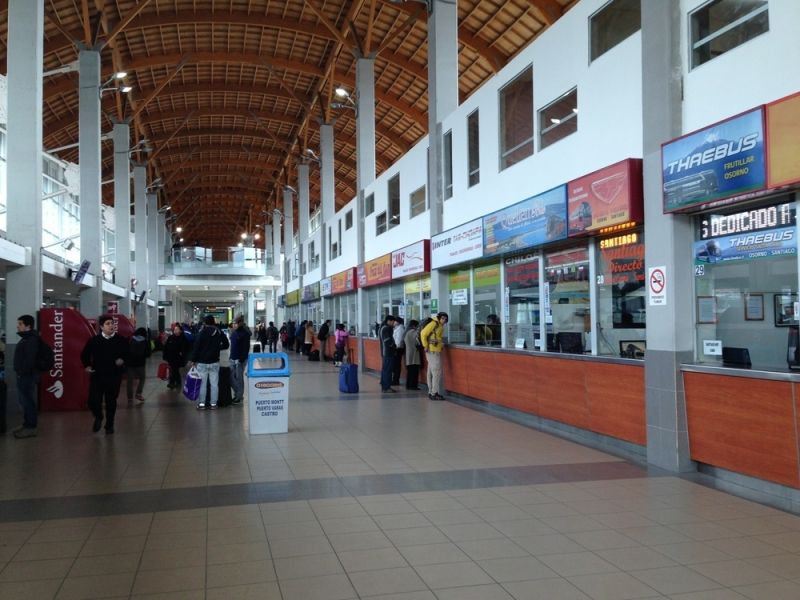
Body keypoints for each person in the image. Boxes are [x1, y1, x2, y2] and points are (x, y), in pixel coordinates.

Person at [81, 315, 129, 434]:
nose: (111, 326)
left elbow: (128, 354)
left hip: (114, 376)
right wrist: (87, 365)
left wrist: (122, 360)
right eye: (108, 324)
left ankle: (109, 425)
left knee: (111, 401)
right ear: (101, 327)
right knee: (93, 400)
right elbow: (84, 354)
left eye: (112, 323)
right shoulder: (94, 341)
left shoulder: (120, 340)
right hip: (98, 375)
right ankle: (98, 416)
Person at [187, 315, 230, 410]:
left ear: (205, 323)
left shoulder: (201, 332)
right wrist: (218, 348)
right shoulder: (219, 332)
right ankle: (213, 404)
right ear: (214, 322)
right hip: (215, 361)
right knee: (214, 384)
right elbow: (226, 344)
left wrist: (193, 360)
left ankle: (202, 404)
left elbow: (197, 347)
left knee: (203, 384)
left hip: (202, 362)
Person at [12, 315, 42, 439]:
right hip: (24, 375)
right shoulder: (26, 338)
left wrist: (21, 372)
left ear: (28, 326)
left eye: (20, 324)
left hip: (27, 376)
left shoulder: (31, 340)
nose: (17, 326)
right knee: (24, 401)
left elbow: (29, 361)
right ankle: (27, 424)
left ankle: (31, 428)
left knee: (28, 402)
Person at [420, 312, 449, 401]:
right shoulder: (434, 323)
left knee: (431, 372)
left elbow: (436, 337)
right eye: (443, 318)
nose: (444, 320)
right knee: (437, 371)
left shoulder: (439, 325)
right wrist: (425, 345)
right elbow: (423, 333)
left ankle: (431, 392)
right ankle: (434, 393)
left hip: (434, 350)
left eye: (445, 319)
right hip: (432, 351)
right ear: (439, 318)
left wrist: (440, 344)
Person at [229, 315, 251, 405]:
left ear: (240, 323)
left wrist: (241, 359)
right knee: (230, 377)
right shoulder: (234, 332)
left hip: (240, 359)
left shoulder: (245, 333)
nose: (233, 325)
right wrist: (230, 357)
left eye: (235, 323)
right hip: (232, 358)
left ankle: (238, 396)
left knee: (239, 378)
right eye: (233, 323)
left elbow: (246, 348)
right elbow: (232, 346)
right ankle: (238, 393)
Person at [126, 327, 151, 404]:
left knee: (130, 381)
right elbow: (148, 354)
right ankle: (138, 394)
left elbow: (126, 351)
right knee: (142, 378)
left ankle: (130, 398)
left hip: (130, 364)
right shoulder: (145, 341)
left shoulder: (130, 340)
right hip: (140, 364)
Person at [163, 323, 191, 390]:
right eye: (174, 329)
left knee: (174, 370)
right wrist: (165, 356)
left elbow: (186, 349)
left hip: (178, 358)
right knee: (175, 370)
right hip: (170, 357)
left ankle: (171, 383)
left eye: (177, 329)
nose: (175, 330)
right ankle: (178, 382)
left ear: (180, 331)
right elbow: (166, 347)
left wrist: (183, 355)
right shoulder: (171, 337)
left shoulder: (183, 339)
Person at [379, 315, 397, 393]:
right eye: (393, 322)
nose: (394, 323)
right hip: (388, 352)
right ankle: (386, 387)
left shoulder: (383, 327)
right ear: (389, 321)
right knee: (388, 370)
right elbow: (387, 341)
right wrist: (394, 346)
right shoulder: (386, 328)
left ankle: (384, 386)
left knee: (385, 370)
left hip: (385, 352)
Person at [403, 320, 422, 391]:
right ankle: (413, 386)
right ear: (414, 326)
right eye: (417, 326)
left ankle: (408, 385)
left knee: (410, 371)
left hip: (408, 354)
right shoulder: (413, 332)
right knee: (414, 371)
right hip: (414, 354)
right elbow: (419, 341)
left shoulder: (406, 332)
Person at [391, 316, 406, 386]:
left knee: (396, 365)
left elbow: (399, 340)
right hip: (396, 348)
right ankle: (394, 379)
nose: (394, 322)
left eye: (395, 321)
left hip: (398, 349)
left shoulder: (400, 329)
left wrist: (395, 348)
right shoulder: (397, 328)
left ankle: (396, 380)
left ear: (398, 322)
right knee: (395, 365)